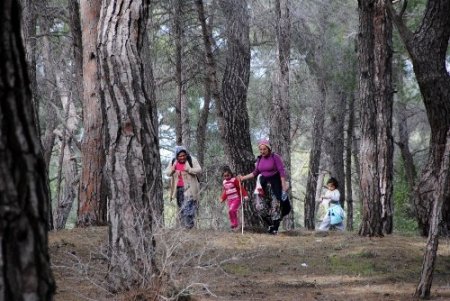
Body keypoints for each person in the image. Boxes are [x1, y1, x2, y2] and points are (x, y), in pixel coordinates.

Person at [238, 139, 291, 235]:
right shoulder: (259, 159)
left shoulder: (275, 157)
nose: (262, 151)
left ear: (268, 149)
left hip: (275, 184)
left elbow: (282, 172)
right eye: (261, 149)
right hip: (263, 185)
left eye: (264, 149)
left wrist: (283, 186)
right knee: (259, 207)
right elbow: (255, 173)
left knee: (275, 206)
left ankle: (275, 229)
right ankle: (270, 224)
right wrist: (243, 178)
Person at [166, 146, 202, 229]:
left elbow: (199, 169)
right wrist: (172, 170)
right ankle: (185, 226)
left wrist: (189, 169)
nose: (182, 157)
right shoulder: (173, 161)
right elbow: (167, 173)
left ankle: (189, 226)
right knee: (182, 208)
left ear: (186, 155)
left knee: (188, 206)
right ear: (177, 156)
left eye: (184, 155)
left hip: (190, 188)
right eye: (180, 156)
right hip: (178, 188)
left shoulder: (192, 160)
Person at [220, 166, 248, 232]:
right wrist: (222, 198)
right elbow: (225, 191)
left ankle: (235, 223)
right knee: (231, 211)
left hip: (236, 198)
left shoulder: (234, 180)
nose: (226, 177)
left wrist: (245, 195)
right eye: (225, 176)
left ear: (231, 174)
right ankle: (233, 223)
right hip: (230, 199)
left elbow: (240, 188)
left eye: (228, 175)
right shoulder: (224, 182)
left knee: (232, 210)